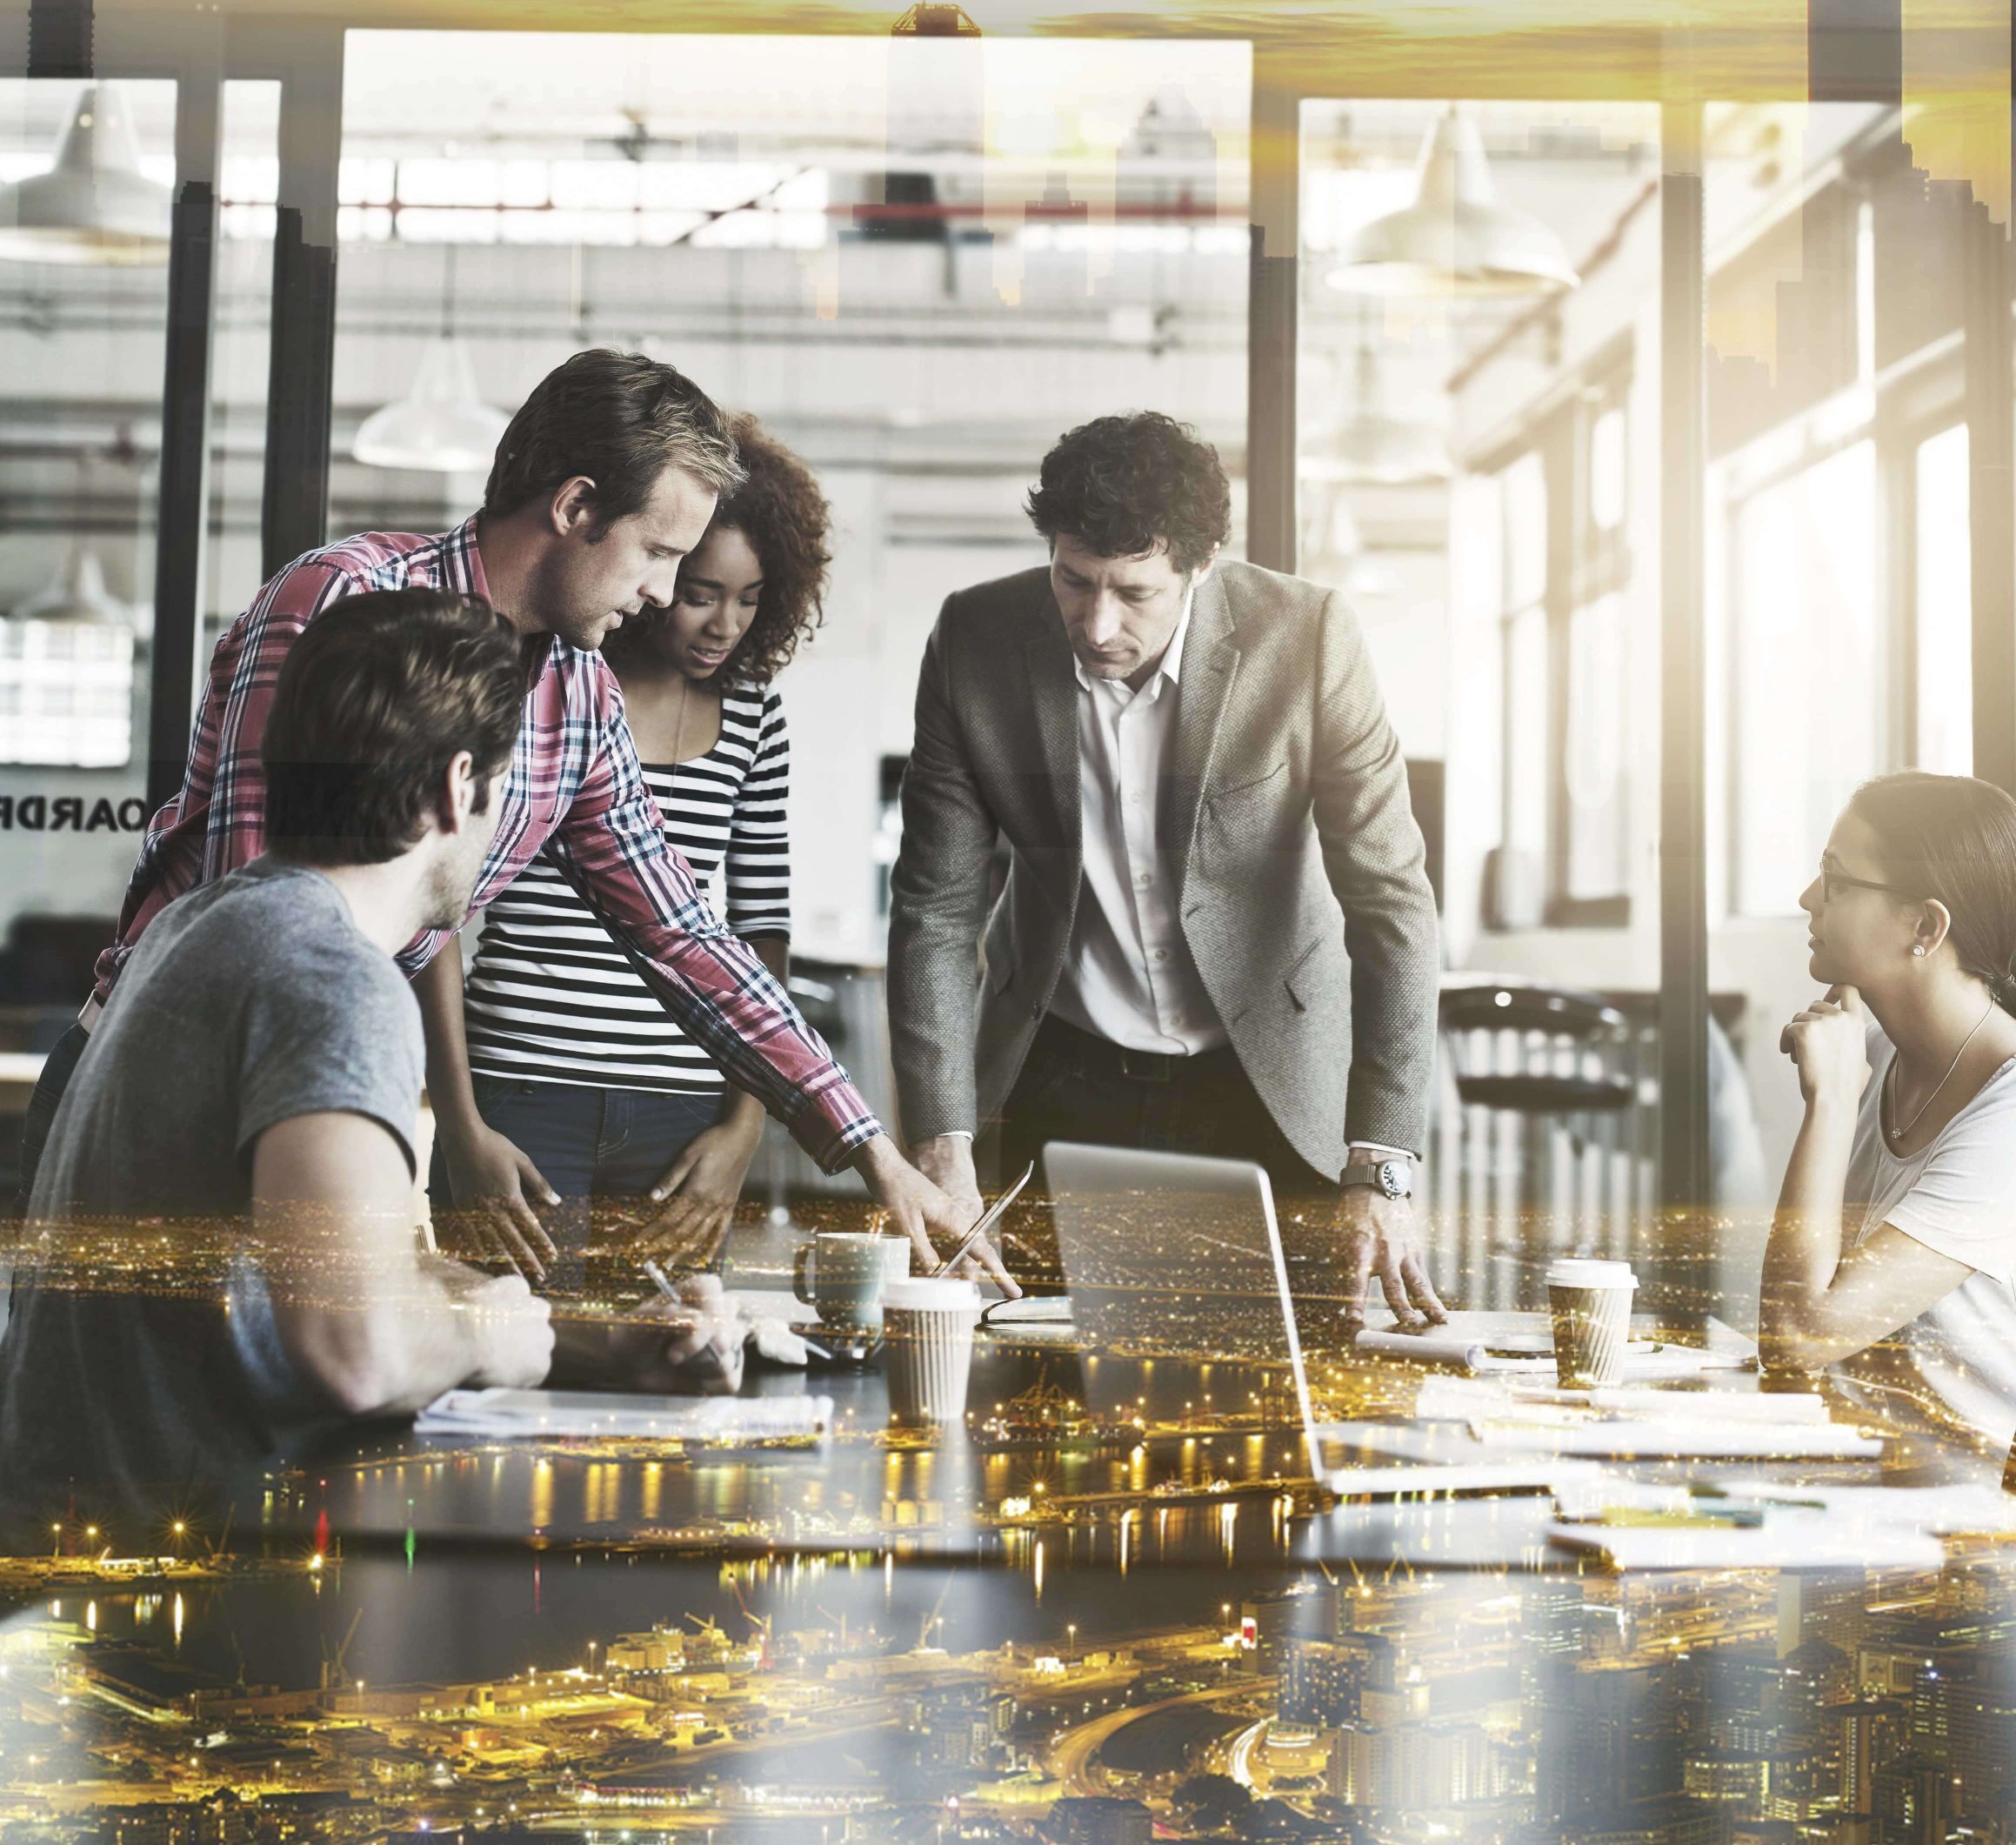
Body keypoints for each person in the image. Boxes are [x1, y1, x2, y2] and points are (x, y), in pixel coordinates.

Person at [9, 348, 1005, 1293]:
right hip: (157, 1090)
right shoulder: (344, 600)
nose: (663, 592)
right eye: (657, 551)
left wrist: (869, 1149)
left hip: (318, 1099)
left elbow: (682, 934)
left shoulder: (577, 696)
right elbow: (252, 913)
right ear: (575, 507)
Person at [0, 592, 744, 1540]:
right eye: (505, 789)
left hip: (87, 1559)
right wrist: (497, 1335)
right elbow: (351, 1347)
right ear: (457, 784)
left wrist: (589, 1338)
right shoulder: (331, 978)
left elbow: (347, 1279)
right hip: (175, 1602)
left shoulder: (212, 924)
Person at [886, 411, 1445, 1332]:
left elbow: (1390, 902)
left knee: (1283, 1405)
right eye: (1073, 581)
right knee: (1046, 1411)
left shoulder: (1304, 639)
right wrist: (939, 1141)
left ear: (1201, 564)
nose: (1096, 623)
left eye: (1133, 592)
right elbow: (937, 913)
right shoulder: (975, 640)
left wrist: (1381, 1162)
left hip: (1269, 1082)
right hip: (1063, 1078)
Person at [423, 415, 826, 1288]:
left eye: (751, 598)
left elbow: (751, 931)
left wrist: (740, 1132)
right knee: (505, 1359)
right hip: (521, 1087)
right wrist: (458, 1123)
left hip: (682, 1115)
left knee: (670, 1363)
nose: (724, 623)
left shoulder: (756, 718)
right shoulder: (544, 685)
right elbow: (437, 911)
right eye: (698, 589)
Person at [1762, 772, 2016, 1447]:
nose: (1808, 898)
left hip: (1971, 1535)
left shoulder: (2009, 1115)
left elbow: (1797, 1334)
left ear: (1926, 926)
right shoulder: (1872, 1053)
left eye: (1836, 879)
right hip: (1857, 1505)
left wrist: (1833, 1100)